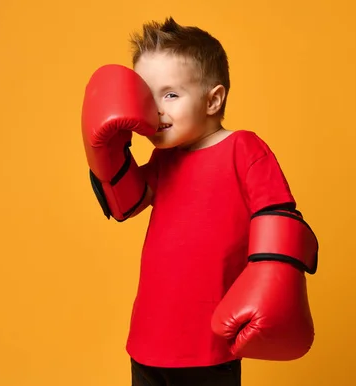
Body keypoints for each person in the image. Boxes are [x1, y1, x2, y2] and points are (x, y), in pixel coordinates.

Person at [80, 16, 319, 386]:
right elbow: (126, 202)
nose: (155, 109)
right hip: (148, 338)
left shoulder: (243, 148)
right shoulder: (165, 158)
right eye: (147, 95)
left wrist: (273, 285)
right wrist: (109, 153)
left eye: (170, 94)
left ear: (213, 99)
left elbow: (279, 217)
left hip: (208, 344)